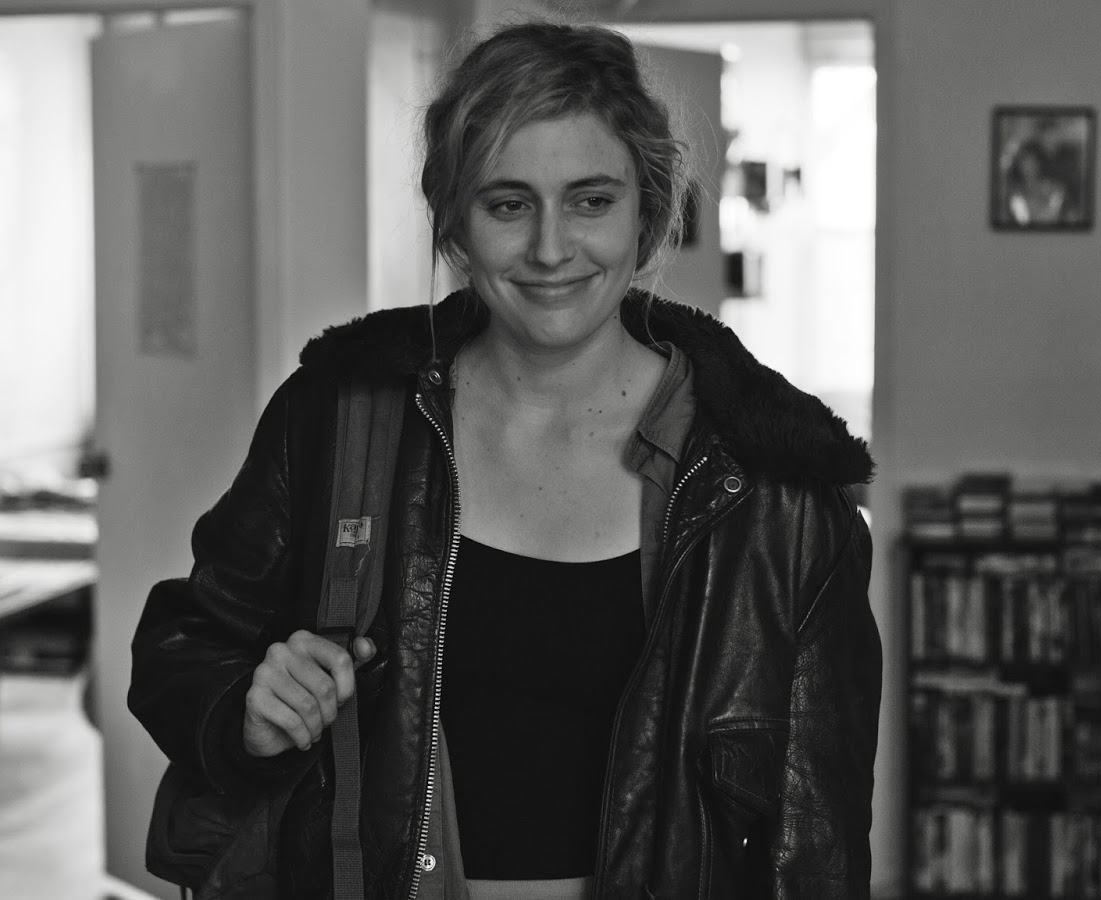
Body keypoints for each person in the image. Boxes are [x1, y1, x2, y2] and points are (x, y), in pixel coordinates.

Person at [129, 20, 881, 900]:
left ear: (649, 212)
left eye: (591, 201)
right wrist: (245, 710)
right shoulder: (336, 417)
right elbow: (185, 640)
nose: (551, 249)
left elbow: (815, 842)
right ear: (455, 222)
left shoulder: (776, 495)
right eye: (508, 204)